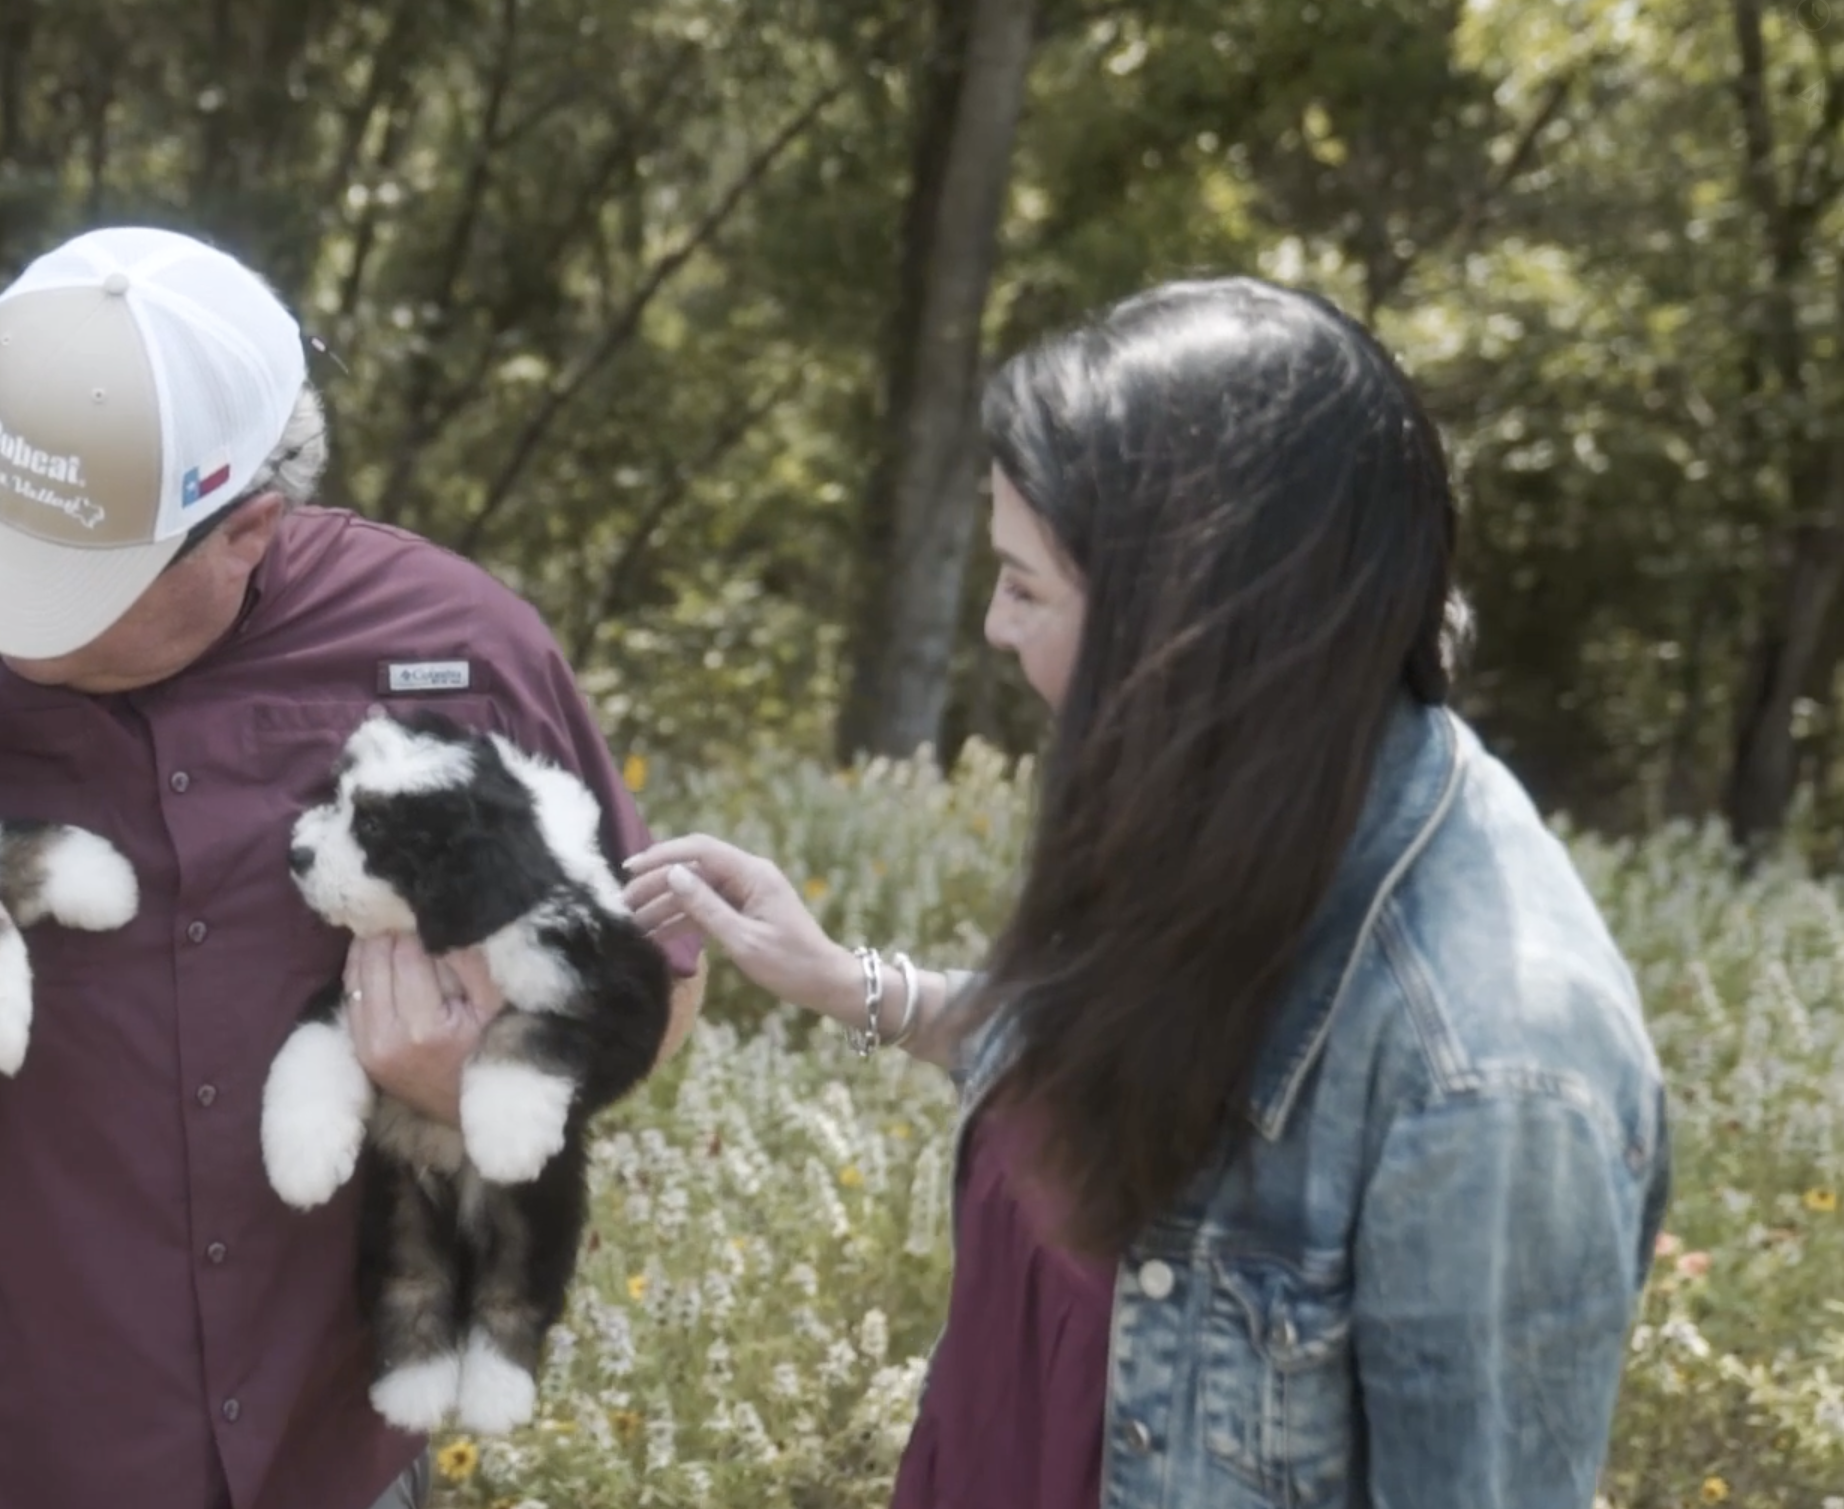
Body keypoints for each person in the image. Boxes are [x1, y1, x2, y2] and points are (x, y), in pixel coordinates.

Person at [0, 225, 706, 1509]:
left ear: (245, 527)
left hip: (323, 1464)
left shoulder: (457, 641)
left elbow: (649, 974)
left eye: (64, 584)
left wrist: (477, 1080)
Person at [624, 277, 1668, 1509]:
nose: (994, 631)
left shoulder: (1491, 1075)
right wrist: (848, 982)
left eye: (1024, 587)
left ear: (1189, 621)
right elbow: (1119, 1064)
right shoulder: (1238, 786)